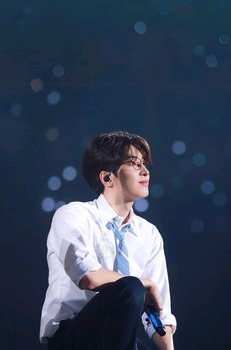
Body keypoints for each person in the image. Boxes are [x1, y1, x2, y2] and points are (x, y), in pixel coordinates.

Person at [40, 131, 176, 350]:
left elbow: (159, 315)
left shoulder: (149, 234)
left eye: (145, 164)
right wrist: (142, 283)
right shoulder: (73, 215)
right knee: (131, 286)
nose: (145, 171)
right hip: (73, 336)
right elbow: (89, 276)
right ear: (107, 178)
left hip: (119, 337)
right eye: (134, 164)